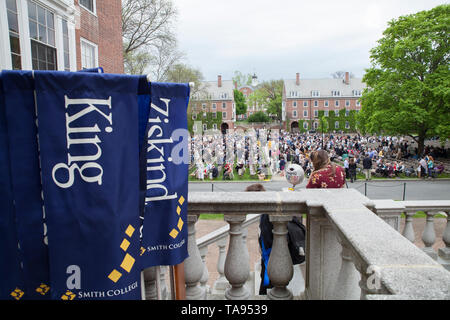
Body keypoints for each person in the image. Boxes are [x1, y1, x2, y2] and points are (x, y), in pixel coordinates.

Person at [249, 184, 306, 295]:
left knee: (268, 287)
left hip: (272, 259)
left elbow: (267, 240)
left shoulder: (266, 215)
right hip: (275, 256)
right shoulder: (268, 210)